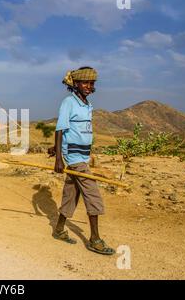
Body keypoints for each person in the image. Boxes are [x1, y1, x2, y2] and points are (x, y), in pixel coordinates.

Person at [52, 66, 115, 255]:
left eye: (92, 83)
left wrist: (55, 149)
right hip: (74, 158)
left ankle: (59, 229)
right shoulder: (69, 102)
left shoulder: (85, 103)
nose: (89, 86)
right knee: (93, 195)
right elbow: (60, 129)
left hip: (83, 157)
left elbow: (75, 131)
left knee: (71, 195)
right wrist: (59, 159)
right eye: (85, 83)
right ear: (76, 84)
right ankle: (95, 239)